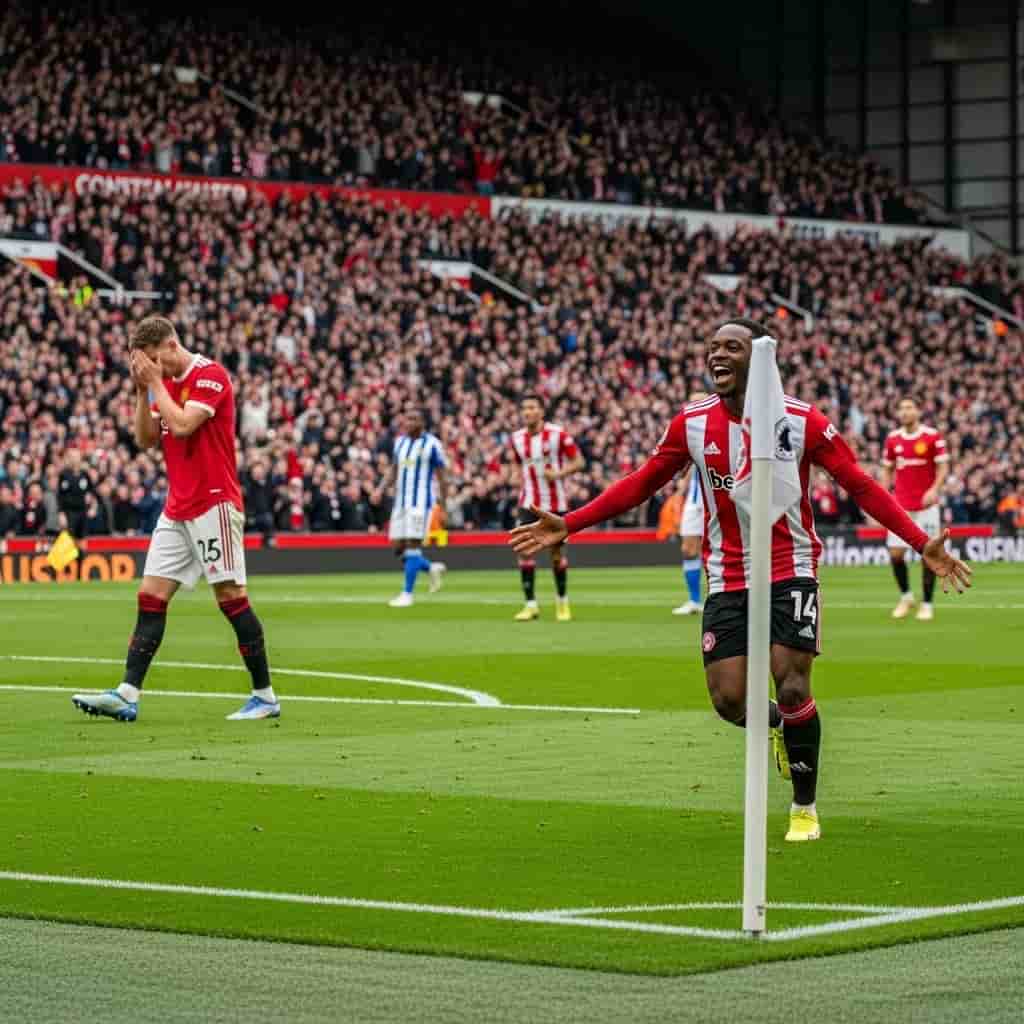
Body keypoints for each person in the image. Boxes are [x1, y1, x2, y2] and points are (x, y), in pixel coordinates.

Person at [510, 318, 971, 843]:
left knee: (791, 679)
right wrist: (570, 522)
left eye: (732, 346)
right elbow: (641, 484)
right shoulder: (691, 422)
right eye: (712, 348)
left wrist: (919, 541)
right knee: (728, 700)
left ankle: (804, 806)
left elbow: (860, 485)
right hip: (727, 573)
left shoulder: (802, 421)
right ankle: (781, 726)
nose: (718, 355)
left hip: (790, 566)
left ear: (761, 358)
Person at [72, 315, 279, 723]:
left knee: (230, 598)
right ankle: (127, 694)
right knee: (150, 596)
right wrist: (140, 390)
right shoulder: (157, 384)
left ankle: (265, 696)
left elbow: (183, 425)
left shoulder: (210, 375)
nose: (152, 368)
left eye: (153, 360)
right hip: (178, 505)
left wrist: (153, 384)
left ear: (170, 346)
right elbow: (147, 438)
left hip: (214, 502)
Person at [508, 394, 584, 621]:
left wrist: (559, 474)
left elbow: (579, 461)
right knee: (523, 551)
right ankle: (530, 605)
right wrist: (514, 476)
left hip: (555, 504)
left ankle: (562, 602)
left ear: (541, 411)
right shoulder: (516, 438)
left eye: (532, 407)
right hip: (528, 503)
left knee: (556, 554)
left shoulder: (557, 434)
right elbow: (515, 463)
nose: (527, 412)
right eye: (524, 408)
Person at [880, 398, 950, 621]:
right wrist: (884, 494)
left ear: (919, 411)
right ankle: (906, 596)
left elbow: (943, 466)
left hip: (926, 506)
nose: (904, 411)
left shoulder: (932, 436)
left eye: (909, 407)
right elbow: (887, 469)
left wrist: (934, 489)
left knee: (928, 555)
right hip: (900, 507)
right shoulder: (893, 439)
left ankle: (927, 604)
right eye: (901, 408)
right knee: (896, 554)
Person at [386, 407, 448, 608]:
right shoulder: (400, 443)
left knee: (413, 545)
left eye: (414, 419)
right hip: (401, 502)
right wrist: (380, 489)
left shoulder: (432, 444)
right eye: (407, 419)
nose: (409, 423)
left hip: (420, 504)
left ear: (423, 422)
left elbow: (442, 477)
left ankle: (407, 594)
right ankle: (430, 568)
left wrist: (443, 507)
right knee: (397, 548)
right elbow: (394, 470)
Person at [673, 391, 708, 616]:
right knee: (688, 548)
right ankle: (694, 600)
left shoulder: (719, 428)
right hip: (694, 500)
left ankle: (720, 597)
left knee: (716, 550)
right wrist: (683, 485)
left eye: (698, 403)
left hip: (715, 499)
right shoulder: (689, 432)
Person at [57, 447, 93, 539]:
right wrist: (61, 513)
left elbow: (91, 491)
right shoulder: (64, 475)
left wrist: (92, 506)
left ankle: (82, 553)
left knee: (82, 539)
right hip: (69, 512)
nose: (74, 459)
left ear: (80, 458)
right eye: (72, 456)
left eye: (76, 456)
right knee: (69, 539)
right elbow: (60, 495)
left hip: (82, 511)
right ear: (69, 458)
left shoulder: (85, 474)